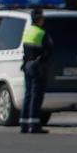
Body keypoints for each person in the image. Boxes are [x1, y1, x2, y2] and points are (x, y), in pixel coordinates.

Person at [19, 7, 50, 136]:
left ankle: (24, 124)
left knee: (28, 94)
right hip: (37, 66)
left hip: (27, 65)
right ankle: (34, 124)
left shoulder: (27, 31)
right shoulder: (41, 33)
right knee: (36, 96)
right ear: (39, 19)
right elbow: (49, 51)